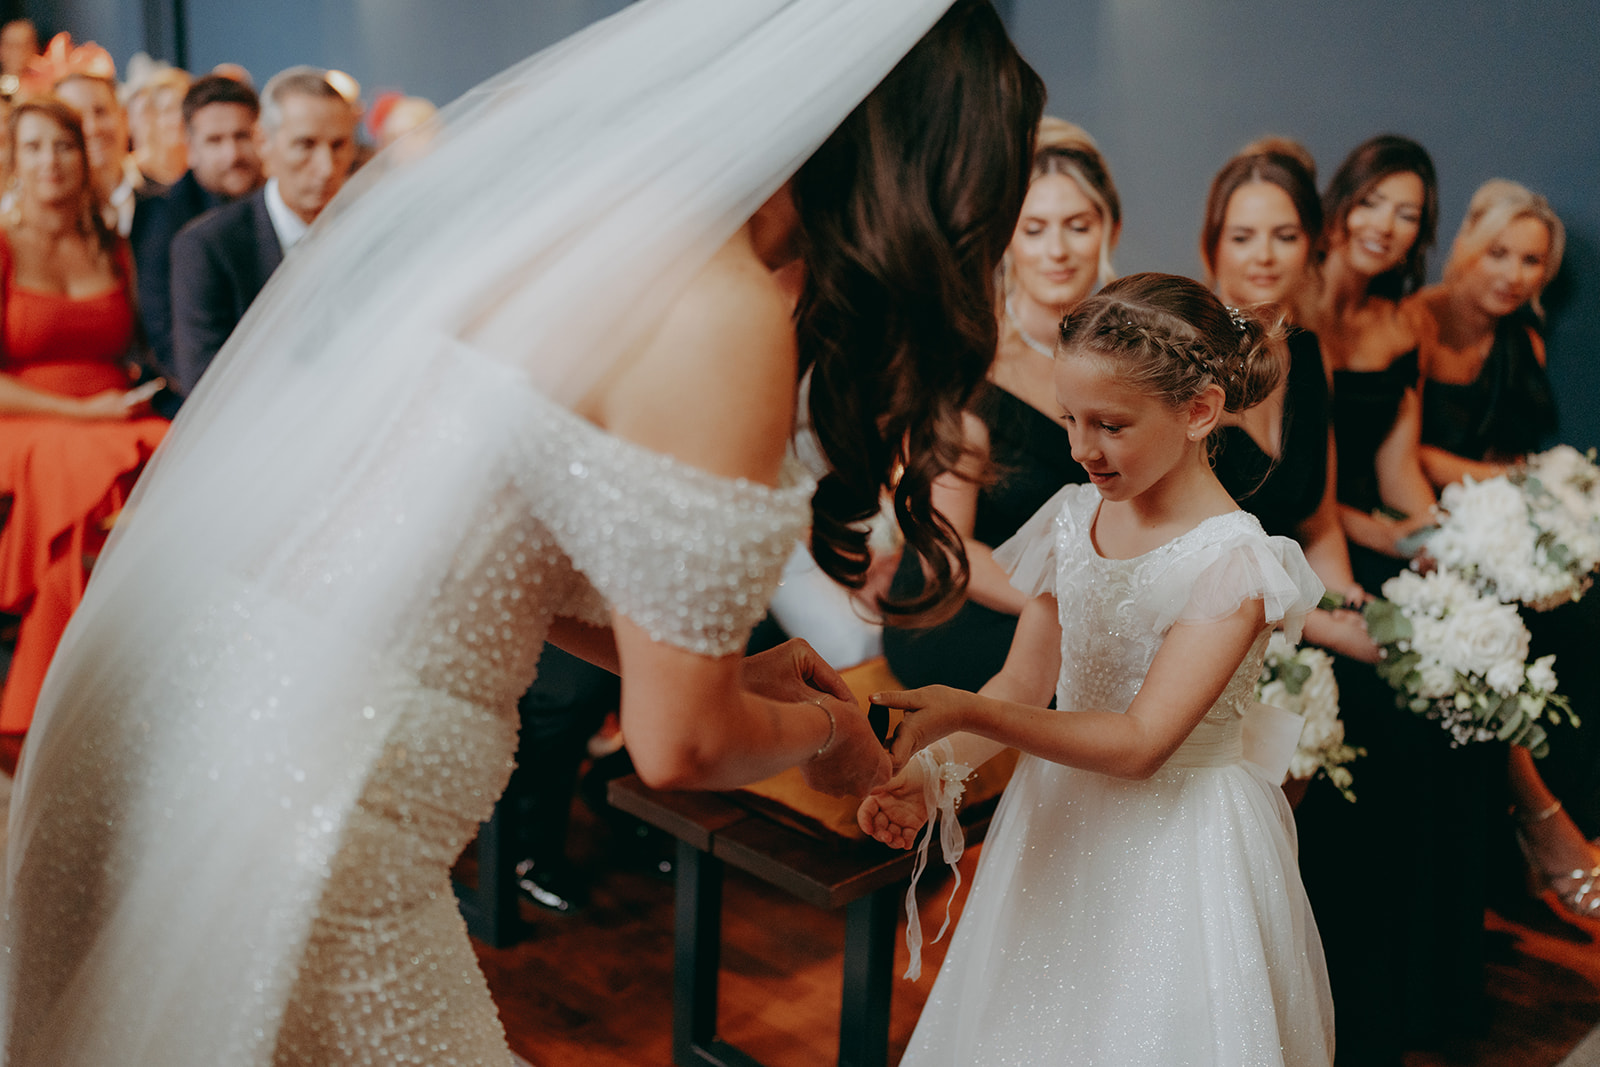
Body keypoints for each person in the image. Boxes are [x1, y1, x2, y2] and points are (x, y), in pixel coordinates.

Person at [0, 3, 1045, 1064]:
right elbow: (680, 744)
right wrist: (835, 739)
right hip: (317, 812)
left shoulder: (573, 217)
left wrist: (727, 667)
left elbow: (477, 538)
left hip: (191, 700)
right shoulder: (719, 307)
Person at [860, 272, 1331, 1065]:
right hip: (1056, 818)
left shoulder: (1235, 562)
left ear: (1199, 411)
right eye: (1070, 418)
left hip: (1180, 840)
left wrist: (966, 715)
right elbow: (1020, 684)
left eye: (1110, 424)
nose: (1081, 448)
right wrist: (935, 770)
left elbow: (1142, 742)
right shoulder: (1072, 518)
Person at [1301, 134, 1506, 1066]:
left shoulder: (1397, 325)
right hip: (1298, 541)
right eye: (1374, 202)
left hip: (1365, 537)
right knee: (1393, 703)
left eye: (1409, 214)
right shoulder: (1285, 308)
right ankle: (1359, 974)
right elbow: (1305, 491)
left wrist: (1444, 556)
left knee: (1467, 676)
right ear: (1338, 202)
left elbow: (1397, 469)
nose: (1387, 226)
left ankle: (1436, 975)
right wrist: (1387, 541)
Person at [1405, 180, 1600, 910]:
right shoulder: (1415, 323)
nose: (1512, 275)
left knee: (1586, 620)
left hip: (1502, 522)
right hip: (1431, 517)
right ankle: (1536, 825)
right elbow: (1407, 450)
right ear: (1463, 245)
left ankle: (1565, 819)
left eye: (1530, 263)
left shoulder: (1526, 337)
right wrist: (1507, 481)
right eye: (1499, 253)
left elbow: (1520, 447)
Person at [882, 119, 1118, 691]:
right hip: (961, 609)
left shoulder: (1130, 358)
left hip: (1081, 609)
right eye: (1033, 229)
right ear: (1006, 237)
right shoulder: (970, 363)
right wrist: (1078, 616)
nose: (1056, 251)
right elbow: (945, 544)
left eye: (1077, 226)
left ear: (1109, 226)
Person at [0, 97, 168, 735]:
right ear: (14, 159)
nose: (51, 161)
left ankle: (136, 675)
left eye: (63, 146)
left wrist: (117, 403)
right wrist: (78, 412)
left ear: (84, 155)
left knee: (171, 449)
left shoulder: (114, 247)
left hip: (112, 413)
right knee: (85, 469)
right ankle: (51, 708)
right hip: (24, 417)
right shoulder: (4, 246)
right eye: (35, 146)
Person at [168, 65, 357, 396]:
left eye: (338, 145)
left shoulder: (367, 231)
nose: (326, 167)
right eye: (305, 145)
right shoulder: (208, 247)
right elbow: (205, 385)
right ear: (263, 142)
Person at [130, 73, 263, 382]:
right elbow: (164, 339)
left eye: (242, 136)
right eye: (215, 141)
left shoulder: (279, 203)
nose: (232, 155)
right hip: (200, 393)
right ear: (190, 148)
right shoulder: (161, 217)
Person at [53, 70, 147, 236]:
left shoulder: (168, 201)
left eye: (100, 112)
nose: (92, 129)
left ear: (124, 117)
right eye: (77, 117)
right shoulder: (45, 216)